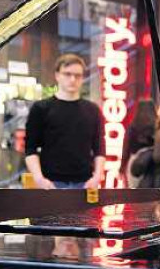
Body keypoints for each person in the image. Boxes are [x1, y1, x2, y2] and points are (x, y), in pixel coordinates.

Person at [24, 53, 105, 189]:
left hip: (85, 183)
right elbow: (30, 148)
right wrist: (39, 179)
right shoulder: (41, 109)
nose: (72, 79)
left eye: (77, 75)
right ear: (57, 75)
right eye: (67, 74)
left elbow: (99, 148)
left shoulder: (93, 110)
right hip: (50, 183)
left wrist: (97, 177)